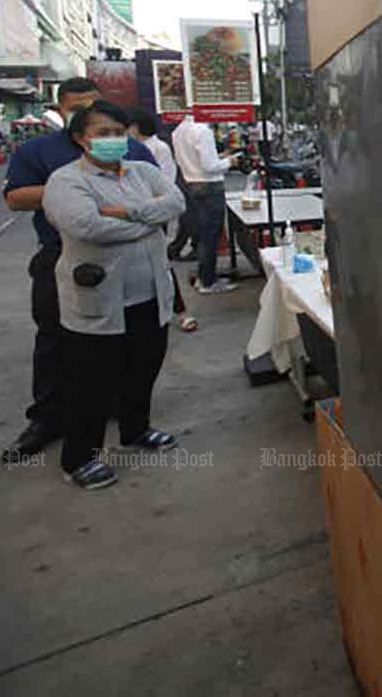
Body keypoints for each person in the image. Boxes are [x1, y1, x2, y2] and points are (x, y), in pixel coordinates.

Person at [1, 78, 157, 461]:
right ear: (65, 112)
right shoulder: (39, 151)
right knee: (58, 341)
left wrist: (101, 200)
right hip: (64, 256)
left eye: (96, 106)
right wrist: (78, 193)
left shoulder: (133, 151)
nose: (90, 114)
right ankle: (48, 419)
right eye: (78, 107)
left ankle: (127, 416)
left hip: (132, 255)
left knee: (137, 339)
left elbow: (162, 198)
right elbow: (16, 197)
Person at [43, 101, 186, 489]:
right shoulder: (66, 181)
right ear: (80, 139)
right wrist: (147, 222)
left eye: (119, 132)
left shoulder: (141, 170)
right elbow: (87, 225)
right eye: (103, 133)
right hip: (101, 300)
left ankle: (136, 430)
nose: (113, 139)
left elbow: (176, 203)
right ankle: (79, 457)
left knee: (144, 369)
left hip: (149, 294)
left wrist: (122, 212)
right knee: (91, 383)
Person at [131, 110, 197, 333]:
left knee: (159, 263)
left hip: (152, 215)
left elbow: (167, 186)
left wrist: (146, 209)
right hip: (131, 218)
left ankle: (181, 311)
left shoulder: (156, 148)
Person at [171, 113, 243, 294]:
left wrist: (221, 156)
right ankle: (207, 281)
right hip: (210, 187)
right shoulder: (202, 130)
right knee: (210, 236)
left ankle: (204, 277)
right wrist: (230, 161)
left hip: (192, 184)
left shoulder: (178, 130)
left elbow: (197, 159)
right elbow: (210, 166)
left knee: (204, 234)